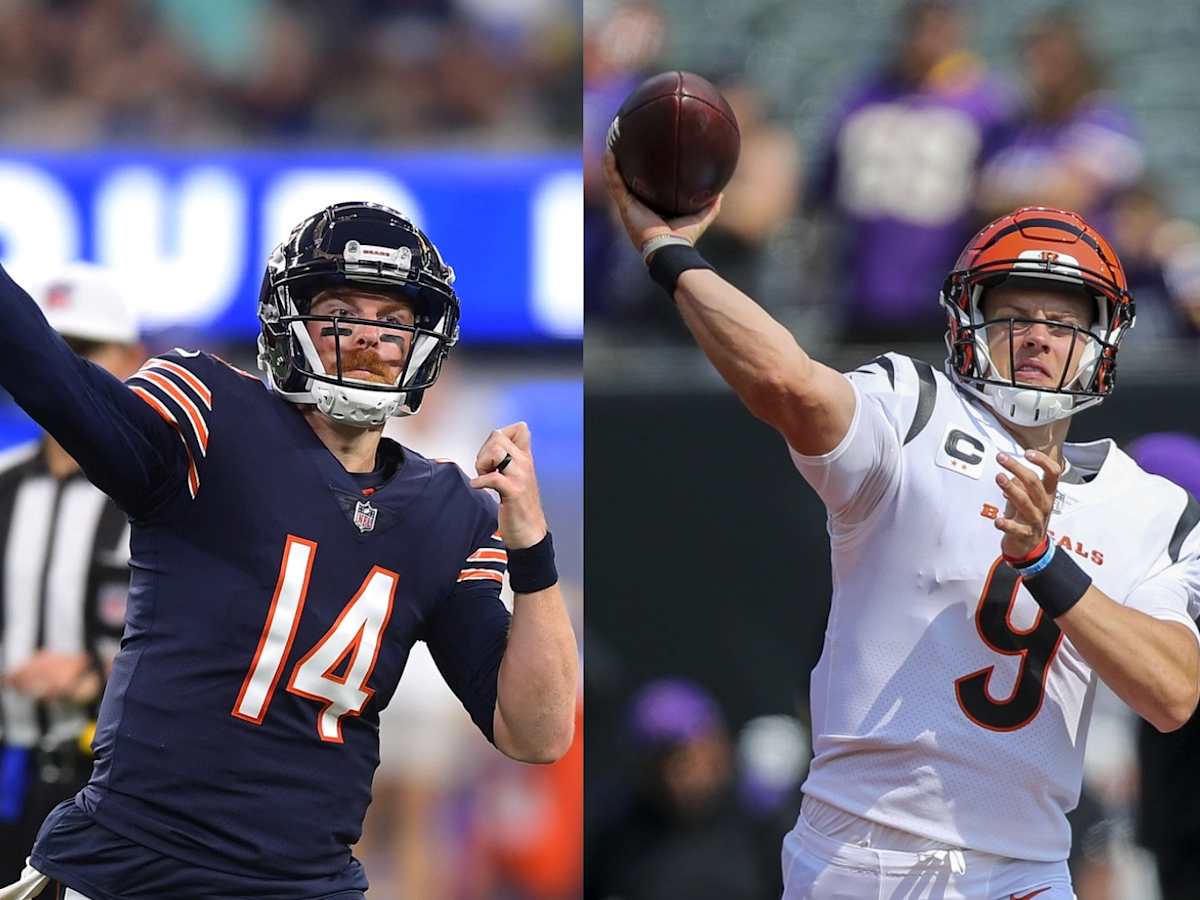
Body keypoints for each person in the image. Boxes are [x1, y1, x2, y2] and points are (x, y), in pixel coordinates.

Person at [604, 153, 1200, 899]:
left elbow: (1174, 692)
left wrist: (1047, 563)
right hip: (857, 857)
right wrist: (671, 255)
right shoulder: (915, 408)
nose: (1038, 336)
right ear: (970, 321)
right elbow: (787, 382)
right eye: (1013, 313)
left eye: (1062, 319)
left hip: (1023, 873)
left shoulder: (1152, 507)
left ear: (1101, 341)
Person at [0, 201, 578, 899]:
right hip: (134, 865)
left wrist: (534, 548)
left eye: (392, 323)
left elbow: (536, 733)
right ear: (291, 319)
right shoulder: (211, 415)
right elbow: (51, 375)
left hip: (305, 883)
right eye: (342, 313)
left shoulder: (448, 511)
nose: (368, 340)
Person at [0, 265, 143, 885]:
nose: (62, 369)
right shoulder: (4, 483)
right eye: (52, 349)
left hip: (108, 781)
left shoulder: (158, 497)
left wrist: (91, 676)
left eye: (85, 350)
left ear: (130, 358)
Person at [806, 0, 1013, 342]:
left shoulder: (987, 103)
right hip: (859, 287)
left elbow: (998, 191)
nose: (928, 40)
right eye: (922, 27)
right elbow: (826, 189)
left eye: (940, 28)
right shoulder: (863, 96)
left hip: (941, 288)